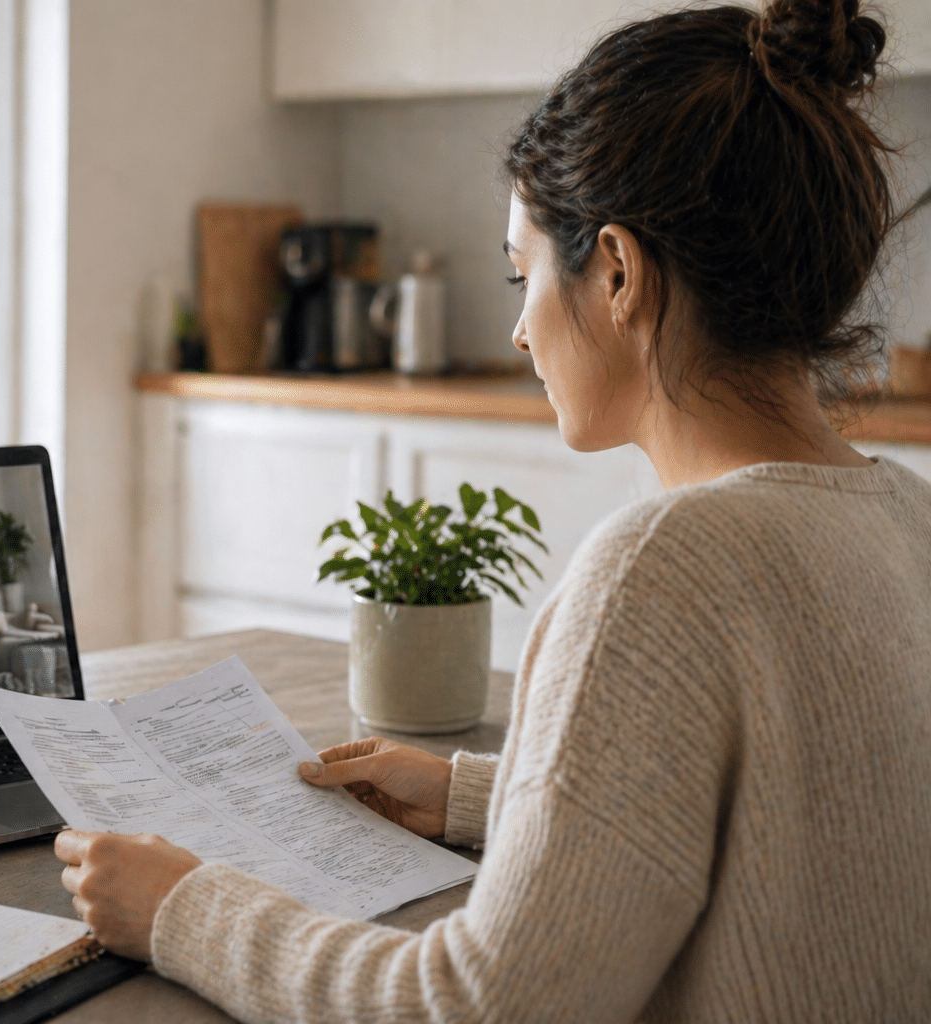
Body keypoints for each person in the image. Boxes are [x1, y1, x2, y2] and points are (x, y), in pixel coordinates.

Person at [53, 1, 931, 1019]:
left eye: (524, 274)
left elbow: (476, 1006)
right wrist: (479, 796)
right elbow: (792, 829)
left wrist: (183, 907)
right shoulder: (904, 518)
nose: (519, 331)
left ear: (615, 271)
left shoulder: (664, 567)